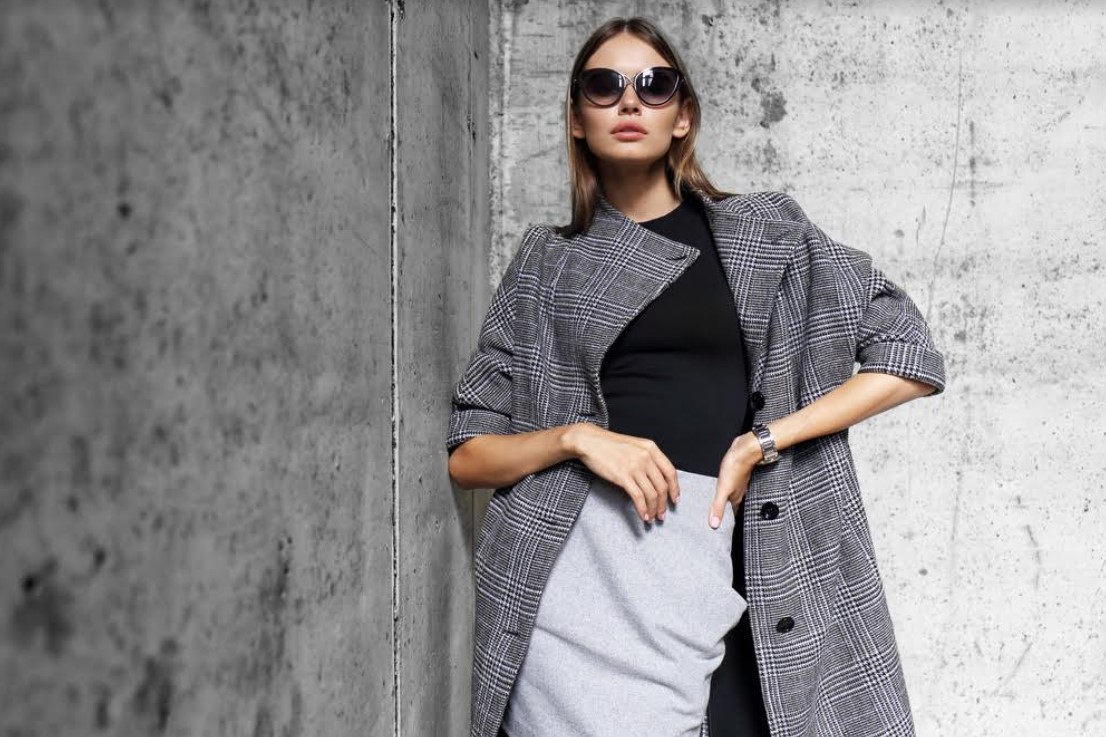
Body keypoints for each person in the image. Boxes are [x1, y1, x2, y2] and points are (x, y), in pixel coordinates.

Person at [446, 16, 947, 737]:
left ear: (683, 116)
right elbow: (469, 455)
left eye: (654, 85)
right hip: (575, 574)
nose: (629, 101)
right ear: (577, 120)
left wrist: (763, 442)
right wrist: (577, 438)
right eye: (603, 85)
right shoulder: (546, 263)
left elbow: (908, 354)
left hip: (735, 557)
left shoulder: (765, 234)